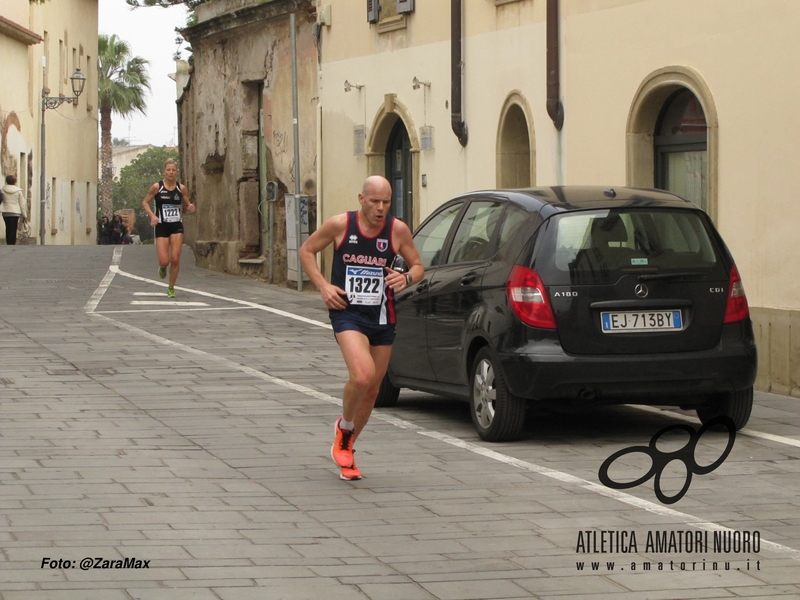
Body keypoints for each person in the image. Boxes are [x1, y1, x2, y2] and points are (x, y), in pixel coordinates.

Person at [299, 175, 424, 480]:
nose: (381, 208)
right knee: (363, 374)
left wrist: (406, 278)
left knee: (373, 391)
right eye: (375, 201)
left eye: (386, 202)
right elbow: (306, 251)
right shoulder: (341, 225)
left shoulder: (397, 230)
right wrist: (323, 287)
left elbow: (419, 266)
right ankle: (344, 427)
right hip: (348, 313)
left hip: (382, 316)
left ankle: (347, 447)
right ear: (361, 199)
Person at [141, 159, 195, 298]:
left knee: (175, 259)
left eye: (173, 170)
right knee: (165, 260)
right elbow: (145, 202)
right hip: (162, 226)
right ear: (164, 171)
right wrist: (152, 216)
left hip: (176, 225)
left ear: (176, 172)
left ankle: (171, 287)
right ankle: (163, 267)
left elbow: (187, 203)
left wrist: (190, 207)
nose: (171, 172)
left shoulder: (181, 188)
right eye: (168, 170)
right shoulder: (156, 187)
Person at [1, 174, 28, 246]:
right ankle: (12, 243)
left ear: (6, 181)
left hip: (5, 211)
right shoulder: (18, 191)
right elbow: (22, 203)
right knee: (13, 228)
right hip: (15, 212)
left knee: (8, 227)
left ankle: (8, 242)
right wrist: (24, 215)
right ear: (14, 182)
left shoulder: (2, 190)